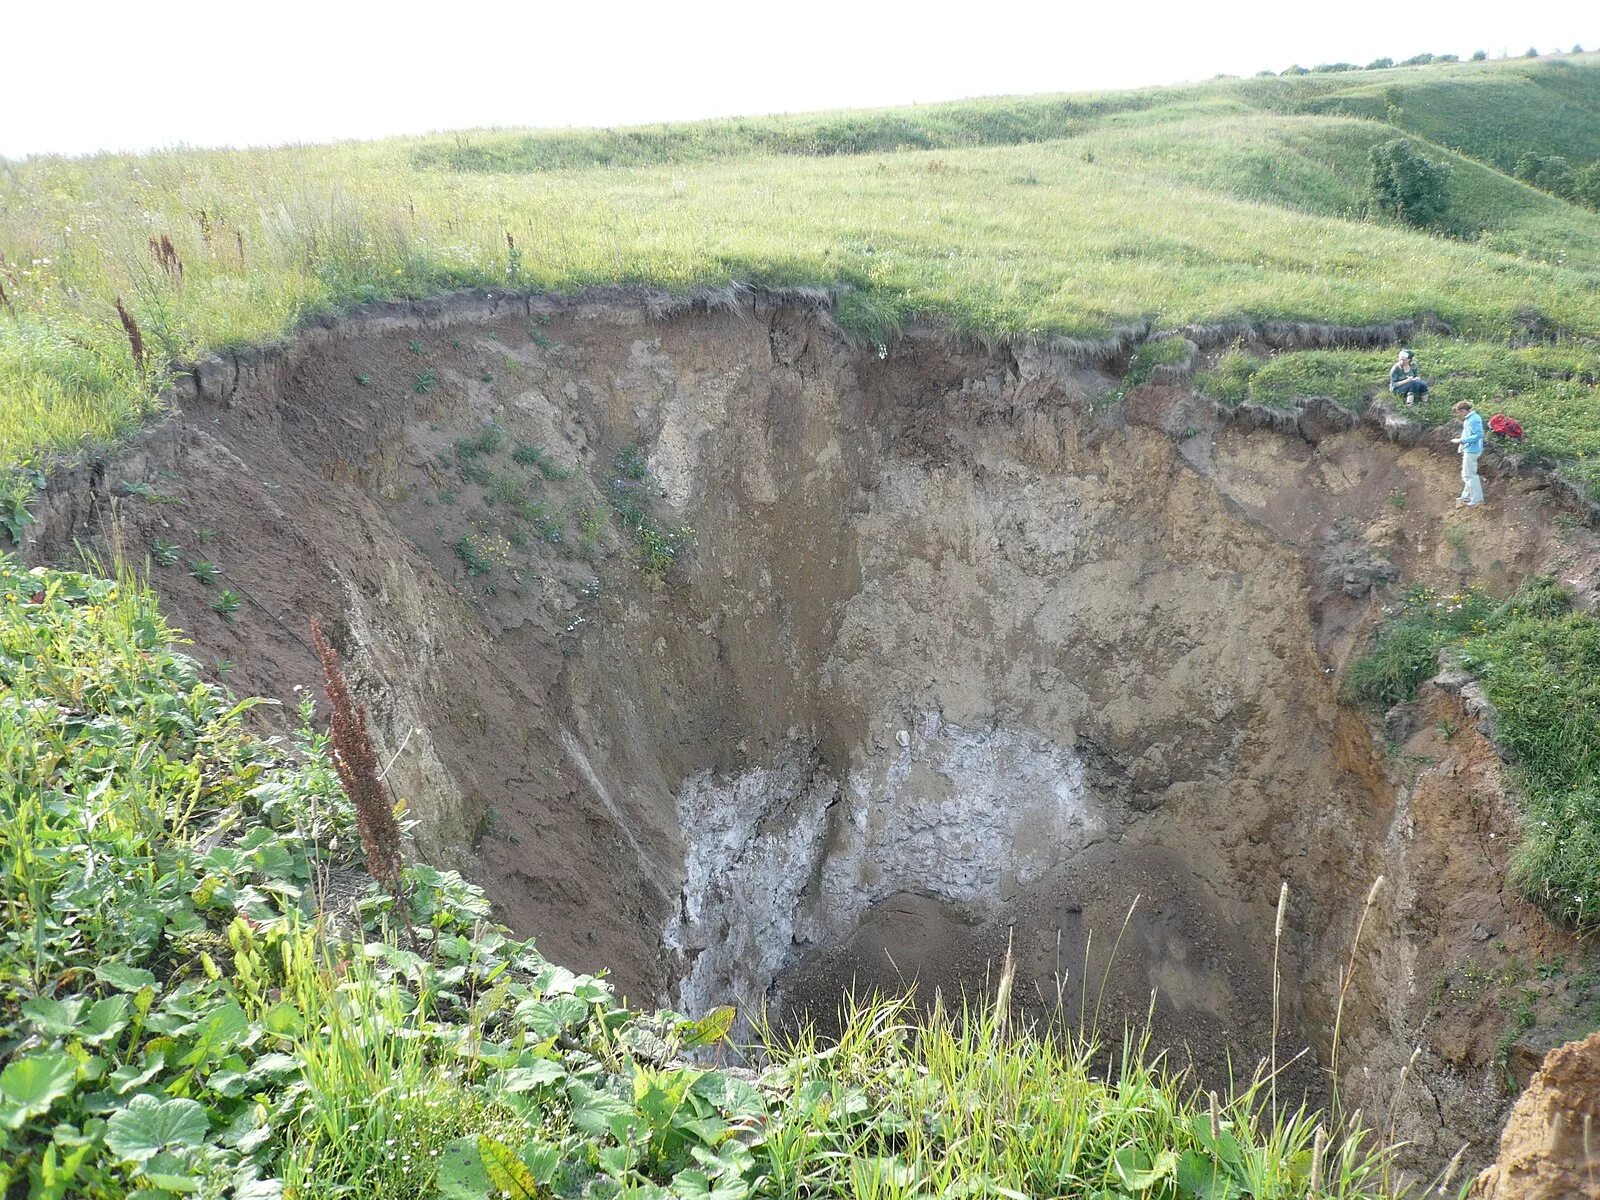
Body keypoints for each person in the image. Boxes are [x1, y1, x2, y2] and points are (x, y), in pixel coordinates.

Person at [1451, 400, 1485, 507]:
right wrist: (1462, 443)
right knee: (1466, 474)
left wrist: (1462, 441)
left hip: (1472, 450)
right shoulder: (1470, 419)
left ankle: (1477, 499)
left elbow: (1479, 435)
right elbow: (1468, 434)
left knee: (1470, 475)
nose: (1459, 415)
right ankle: (1466, 497)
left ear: (1463, 411)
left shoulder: (1473, 420)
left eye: (1459, 412)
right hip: (1470, 449)